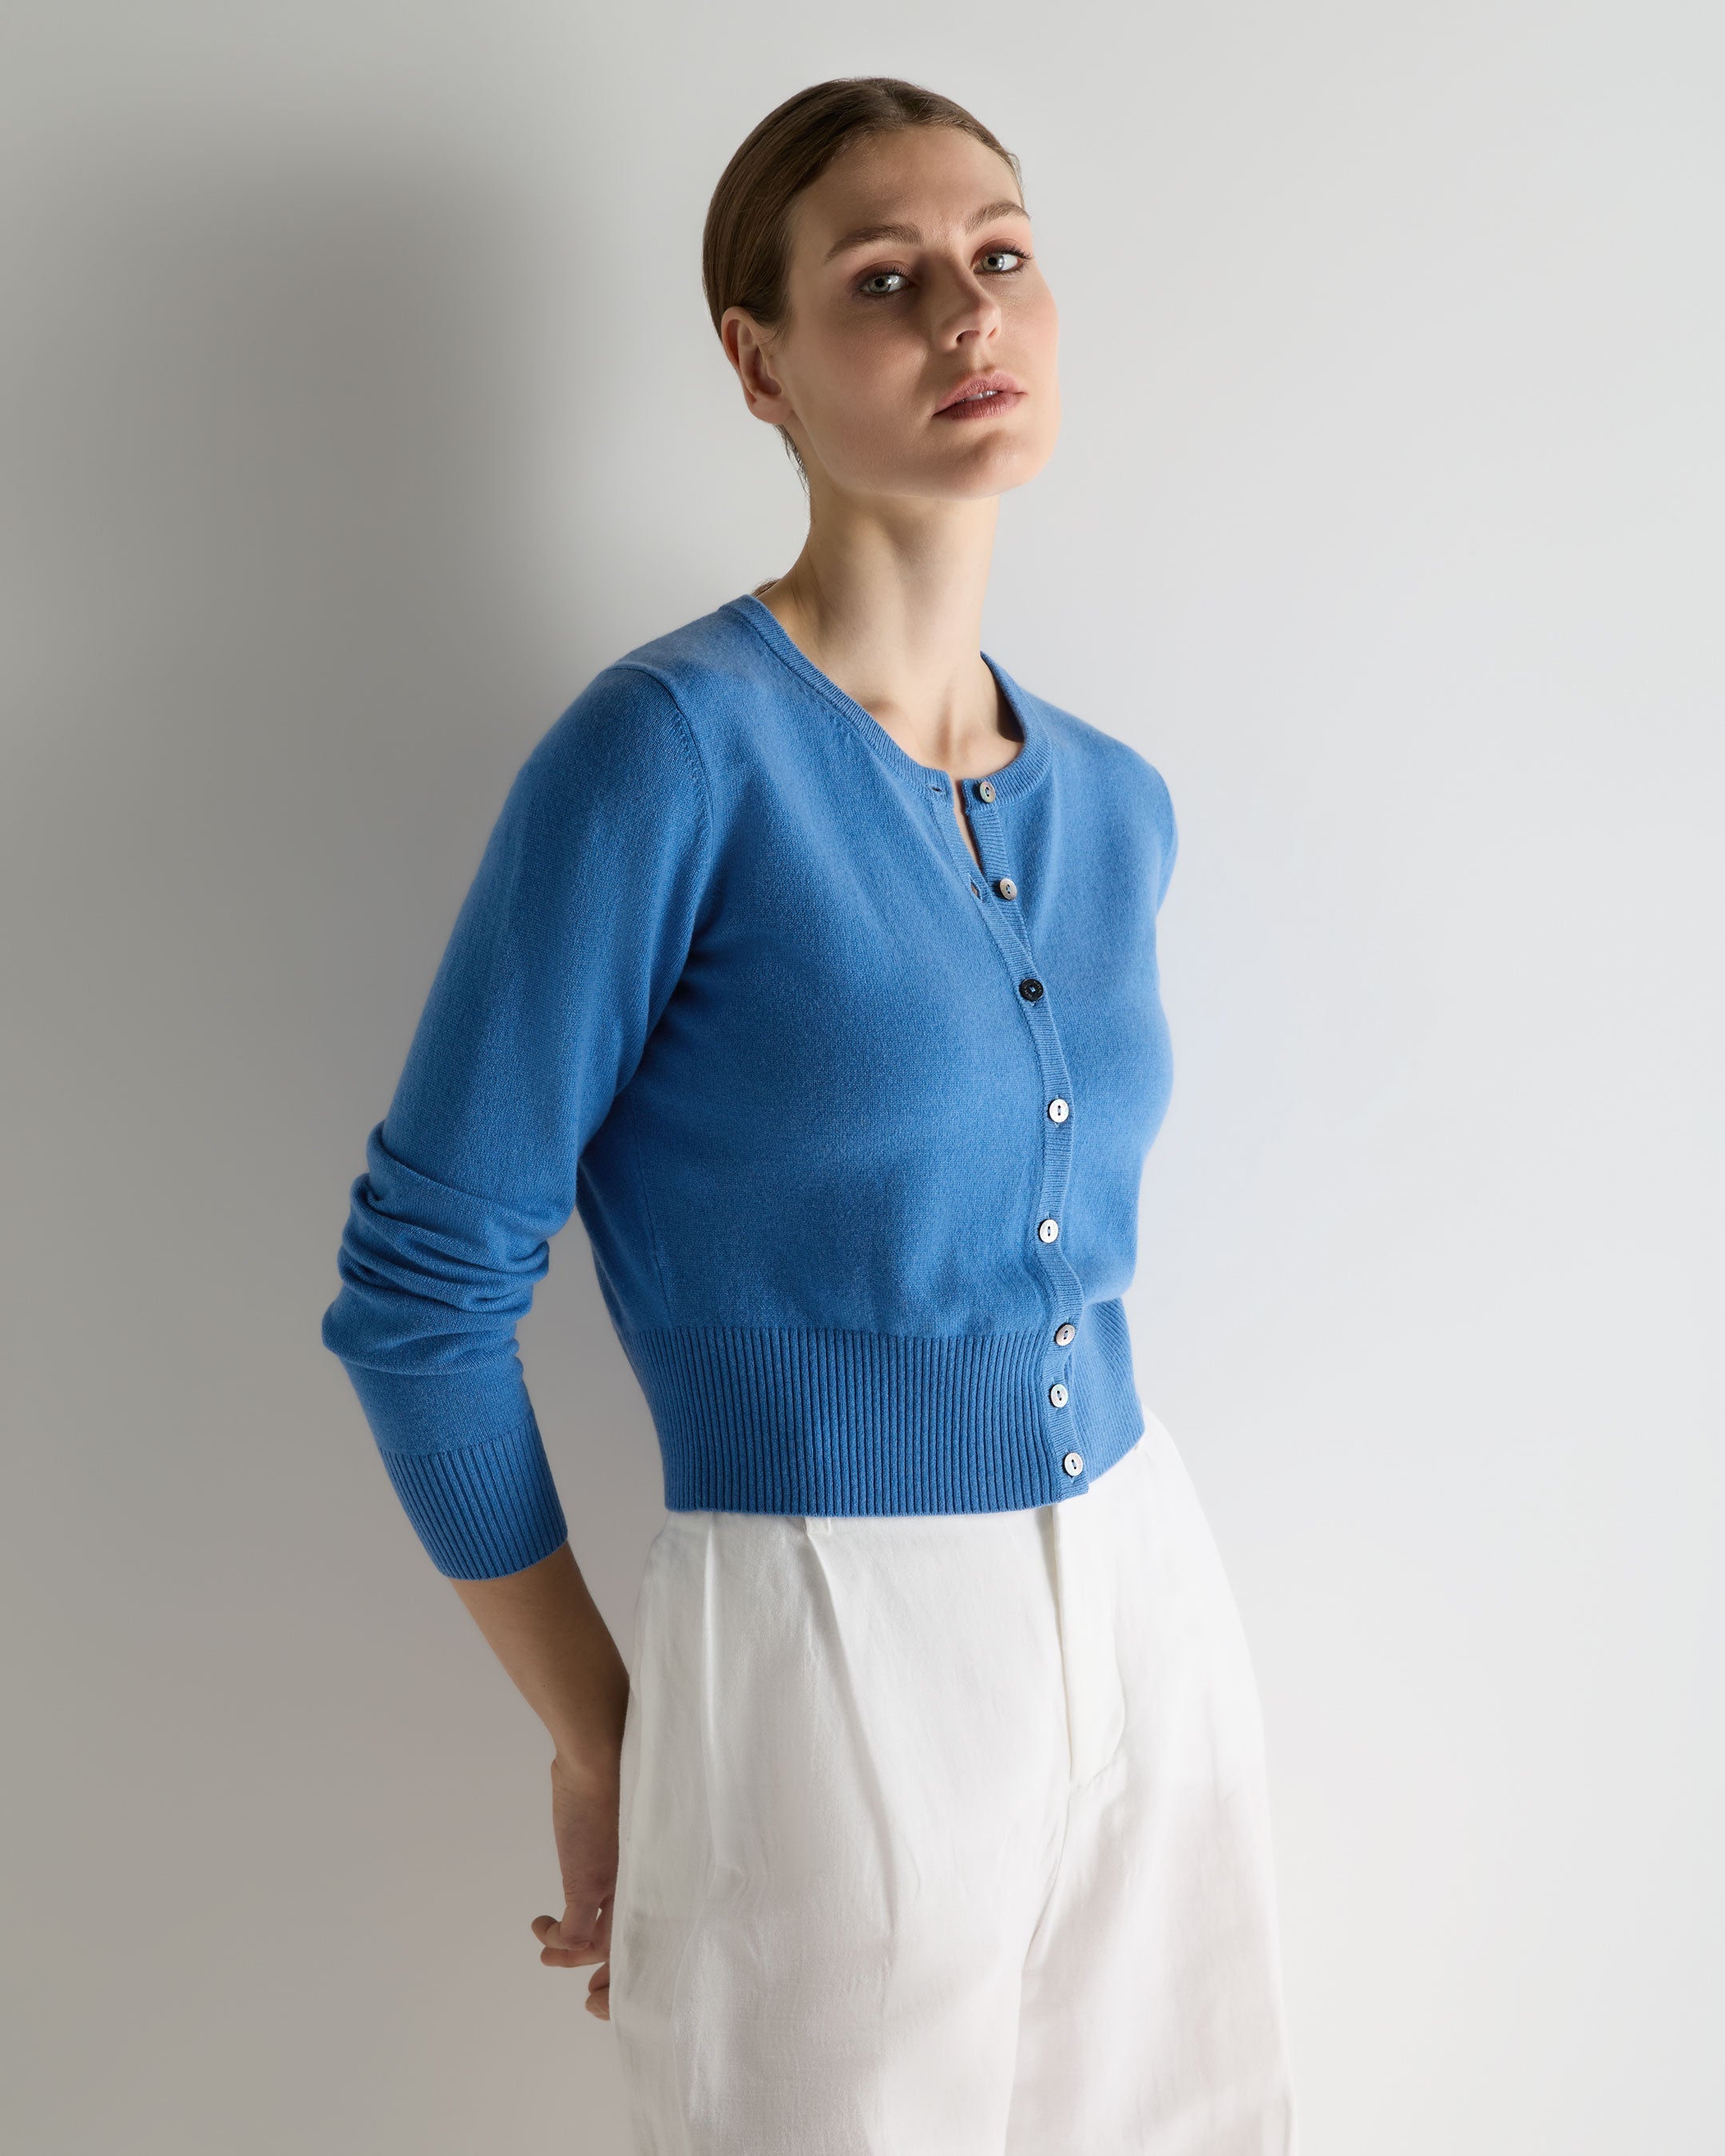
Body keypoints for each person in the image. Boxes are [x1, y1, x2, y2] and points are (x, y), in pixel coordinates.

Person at [322, 75, 1299, 2155]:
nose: (968, 311)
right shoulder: (666, 759)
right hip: (825, 1635)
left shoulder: (1116, 801)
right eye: (885, 277)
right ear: (757, 364)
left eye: (1000, 255)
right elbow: (420, 1298)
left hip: (1149, 1589)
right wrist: (604, 1732)